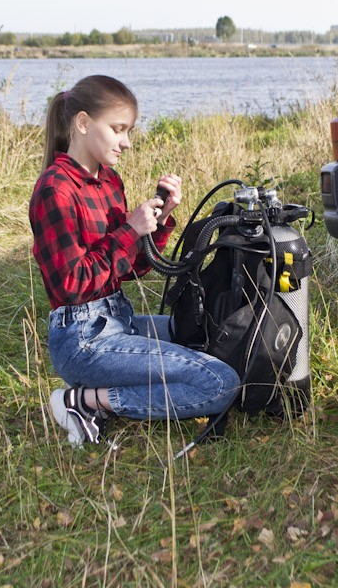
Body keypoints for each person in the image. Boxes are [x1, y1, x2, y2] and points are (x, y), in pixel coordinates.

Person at [29, 75, 240, 447]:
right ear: (82, 123)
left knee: (202, 333)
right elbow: (72, 284)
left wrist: (157, 224)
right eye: (118, 129)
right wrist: (129, 230)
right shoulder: (55, 191)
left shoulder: (109, 181)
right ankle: (83, 402)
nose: (126, 142)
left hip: (117, 319)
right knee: (219, 382)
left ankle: (99, 392)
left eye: (129, 131)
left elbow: (134, 267)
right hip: (82, 338)